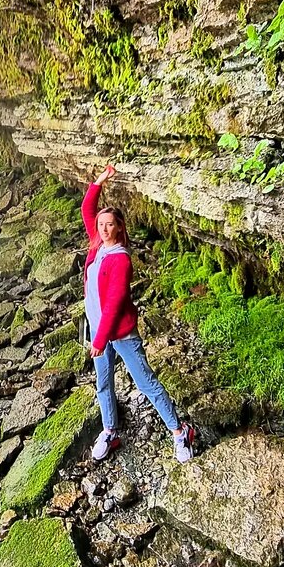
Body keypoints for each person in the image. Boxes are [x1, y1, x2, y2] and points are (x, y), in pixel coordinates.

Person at [82, 163, 195, 463]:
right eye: (101, 224)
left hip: (118, 334)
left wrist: (99, 340)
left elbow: (116, 302)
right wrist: (100, 181)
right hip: (98, 330)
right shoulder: (97, 247)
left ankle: (179, 431)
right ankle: (110, 431)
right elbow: (87, 208)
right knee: (103, 384)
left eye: (110, 224)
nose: (104, 229)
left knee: (146, 384)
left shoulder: (119, 259)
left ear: (120, 227)